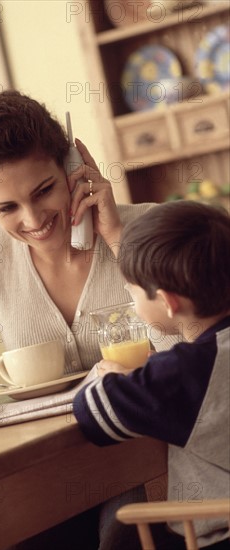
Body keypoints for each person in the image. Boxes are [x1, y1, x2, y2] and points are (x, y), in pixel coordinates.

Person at [0, 90, 174, 549]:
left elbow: (199, 355)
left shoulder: (152, 229)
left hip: (151, 460)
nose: (33, 219)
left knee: (119, 532)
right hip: (46, 478)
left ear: (71, 167)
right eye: (6, 208)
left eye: (43, 190)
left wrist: (119, 240)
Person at [73, 200, 230, 549]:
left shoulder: (183, 371)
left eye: (131, 288)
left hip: (215, 537)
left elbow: (92, 413)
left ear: (168, 302)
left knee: (121, 534)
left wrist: (107, 375)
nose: (129, 295)